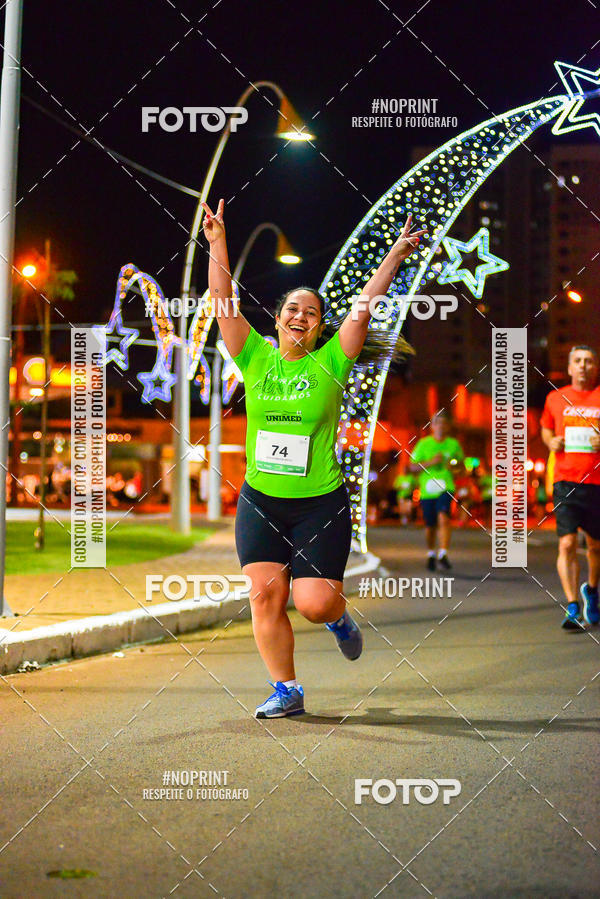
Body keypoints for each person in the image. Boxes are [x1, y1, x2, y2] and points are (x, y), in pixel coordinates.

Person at [202, 197, 425, 717]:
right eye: (292, 309)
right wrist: (217, 242)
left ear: (321, 326)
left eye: (312, 312)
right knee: (264, 596)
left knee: (313, 603)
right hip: (261, 500)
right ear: (278, 320)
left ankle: (338, 618)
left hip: (319, 504)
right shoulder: (253, 355)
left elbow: (366, 303)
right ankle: (287, 690)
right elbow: (222, 301)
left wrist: (394, 256)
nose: (300, 316)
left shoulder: (332, 359)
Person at [540, 345, 600, 629]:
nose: (583, 366)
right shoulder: (555, 397)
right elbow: (546, 428)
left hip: (597, 482)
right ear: (569, 367)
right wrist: (550, 441)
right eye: (578, 361)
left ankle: (592, 590)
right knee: (566, 543)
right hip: (565, 480)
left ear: (595, 367)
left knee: (595, 546)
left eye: (588, 361)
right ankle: (573, 605)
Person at [408, 411, 464, 570]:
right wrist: (431, 462)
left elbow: (462, 467)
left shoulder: (453, 445)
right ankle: (431, 553)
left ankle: (443, 553)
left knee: (444, 517)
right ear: (432, 426)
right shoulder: (423, 444)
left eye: (443, 423)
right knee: (430, 525)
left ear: (447, 427)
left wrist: (454, 467)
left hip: (446, 487)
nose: (440, 426)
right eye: (437, 422)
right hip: (427, 489)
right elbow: (412, 467)